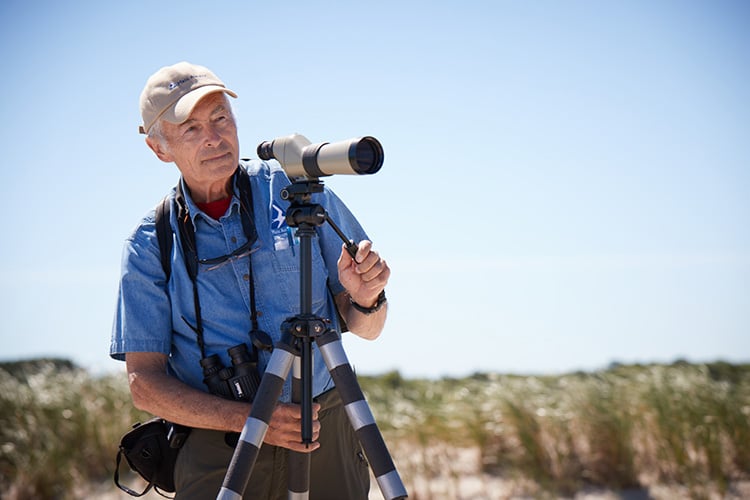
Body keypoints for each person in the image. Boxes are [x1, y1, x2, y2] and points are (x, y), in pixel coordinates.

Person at [110, 61, 390, 499]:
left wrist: (368, 299)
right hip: (220, 445)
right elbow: (144, 385)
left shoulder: (298, 192)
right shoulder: (149, 243)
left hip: (326, 426)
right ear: (159, 148)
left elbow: (368, 328)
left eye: (221, 117)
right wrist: (250, 419)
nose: (214, 137)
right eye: (191, 128)